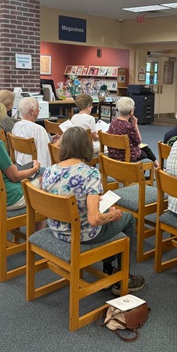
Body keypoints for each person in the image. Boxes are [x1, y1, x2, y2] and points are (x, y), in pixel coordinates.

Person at [41, 126, 145, 294]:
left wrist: (96, 202)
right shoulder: (90, 174)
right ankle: (121, 274)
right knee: (129, 219)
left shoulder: (49, 171)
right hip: (82, 234)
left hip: (56, 229)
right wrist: (111, 215)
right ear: (87, 147)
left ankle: (109, 265)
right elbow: (94, 220)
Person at [107, 96, 159, 168]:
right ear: (131, 111)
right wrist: (135, 124)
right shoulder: (129, 126)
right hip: (126, 156)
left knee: (145, 148)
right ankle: (139, 177)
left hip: (113, 153)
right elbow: (139, 141)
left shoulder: (113, 122)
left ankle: (159, 166)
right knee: (145, 155)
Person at [11, 97, 53, 169]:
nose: (39, 111)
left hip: (20, 165)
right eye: (38, 108)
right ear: (32, 111)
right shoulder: (38, 129)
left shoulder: (16, 125)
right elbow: (45, 155)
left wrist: (50, 138)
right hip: (34, 168)